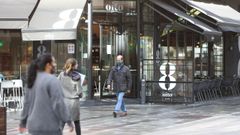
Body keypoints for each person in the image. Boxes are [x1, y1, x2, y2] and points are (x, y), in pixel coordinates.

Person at [19, 53, 74, 135]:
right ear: (48, 65)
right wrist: (68, 120)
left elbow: (26, 103)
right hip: (50, 127)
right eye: (54, 62)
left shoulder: (32, 80)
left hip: (33, 127)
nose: (55, 65)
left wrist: (22, 122)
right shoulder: (52, 80)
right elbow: (59, 103)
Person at [58, 58, 82, 135]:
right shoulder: (77, 76)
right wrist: (81, 95)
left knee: (62, 121)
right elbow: (79, 91)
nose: (78, 65)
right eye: (77, 64)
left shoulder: (62, 74)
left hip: (64, 101)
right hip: (74, 102)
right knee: (76, 122)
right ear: (73, 66)